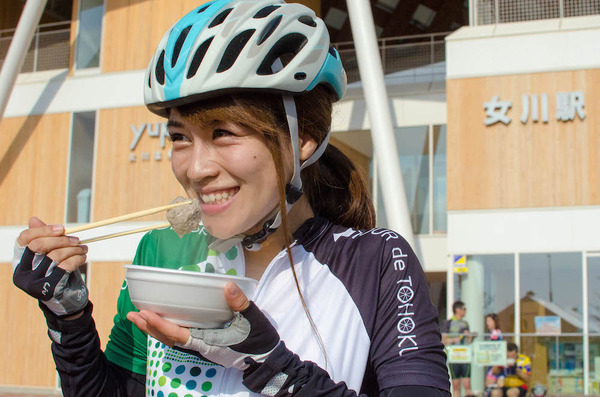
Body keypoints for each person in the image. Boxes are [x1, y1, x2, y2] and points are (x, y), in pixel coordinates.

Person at [11, 0, 451, 396]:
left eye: (223, 133)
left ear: (304, 140)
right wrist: (68, 319)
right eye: (180, 137)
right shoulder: (163, 252)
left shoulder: (375, 262)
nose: (196, 169)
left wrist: (272, 366)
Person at [441, 300, 474, 397]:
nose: (465, 311)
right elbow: (444, 340)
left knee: (467, 384)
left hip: (464, 356)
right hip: (454, 356)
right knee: (455, 385)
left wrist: (469, 337)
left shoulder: (465, 323)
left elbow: (469, 341)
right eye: (464, 309)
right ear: (457, 310)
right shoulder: (448, 323)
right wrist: (459, 337)